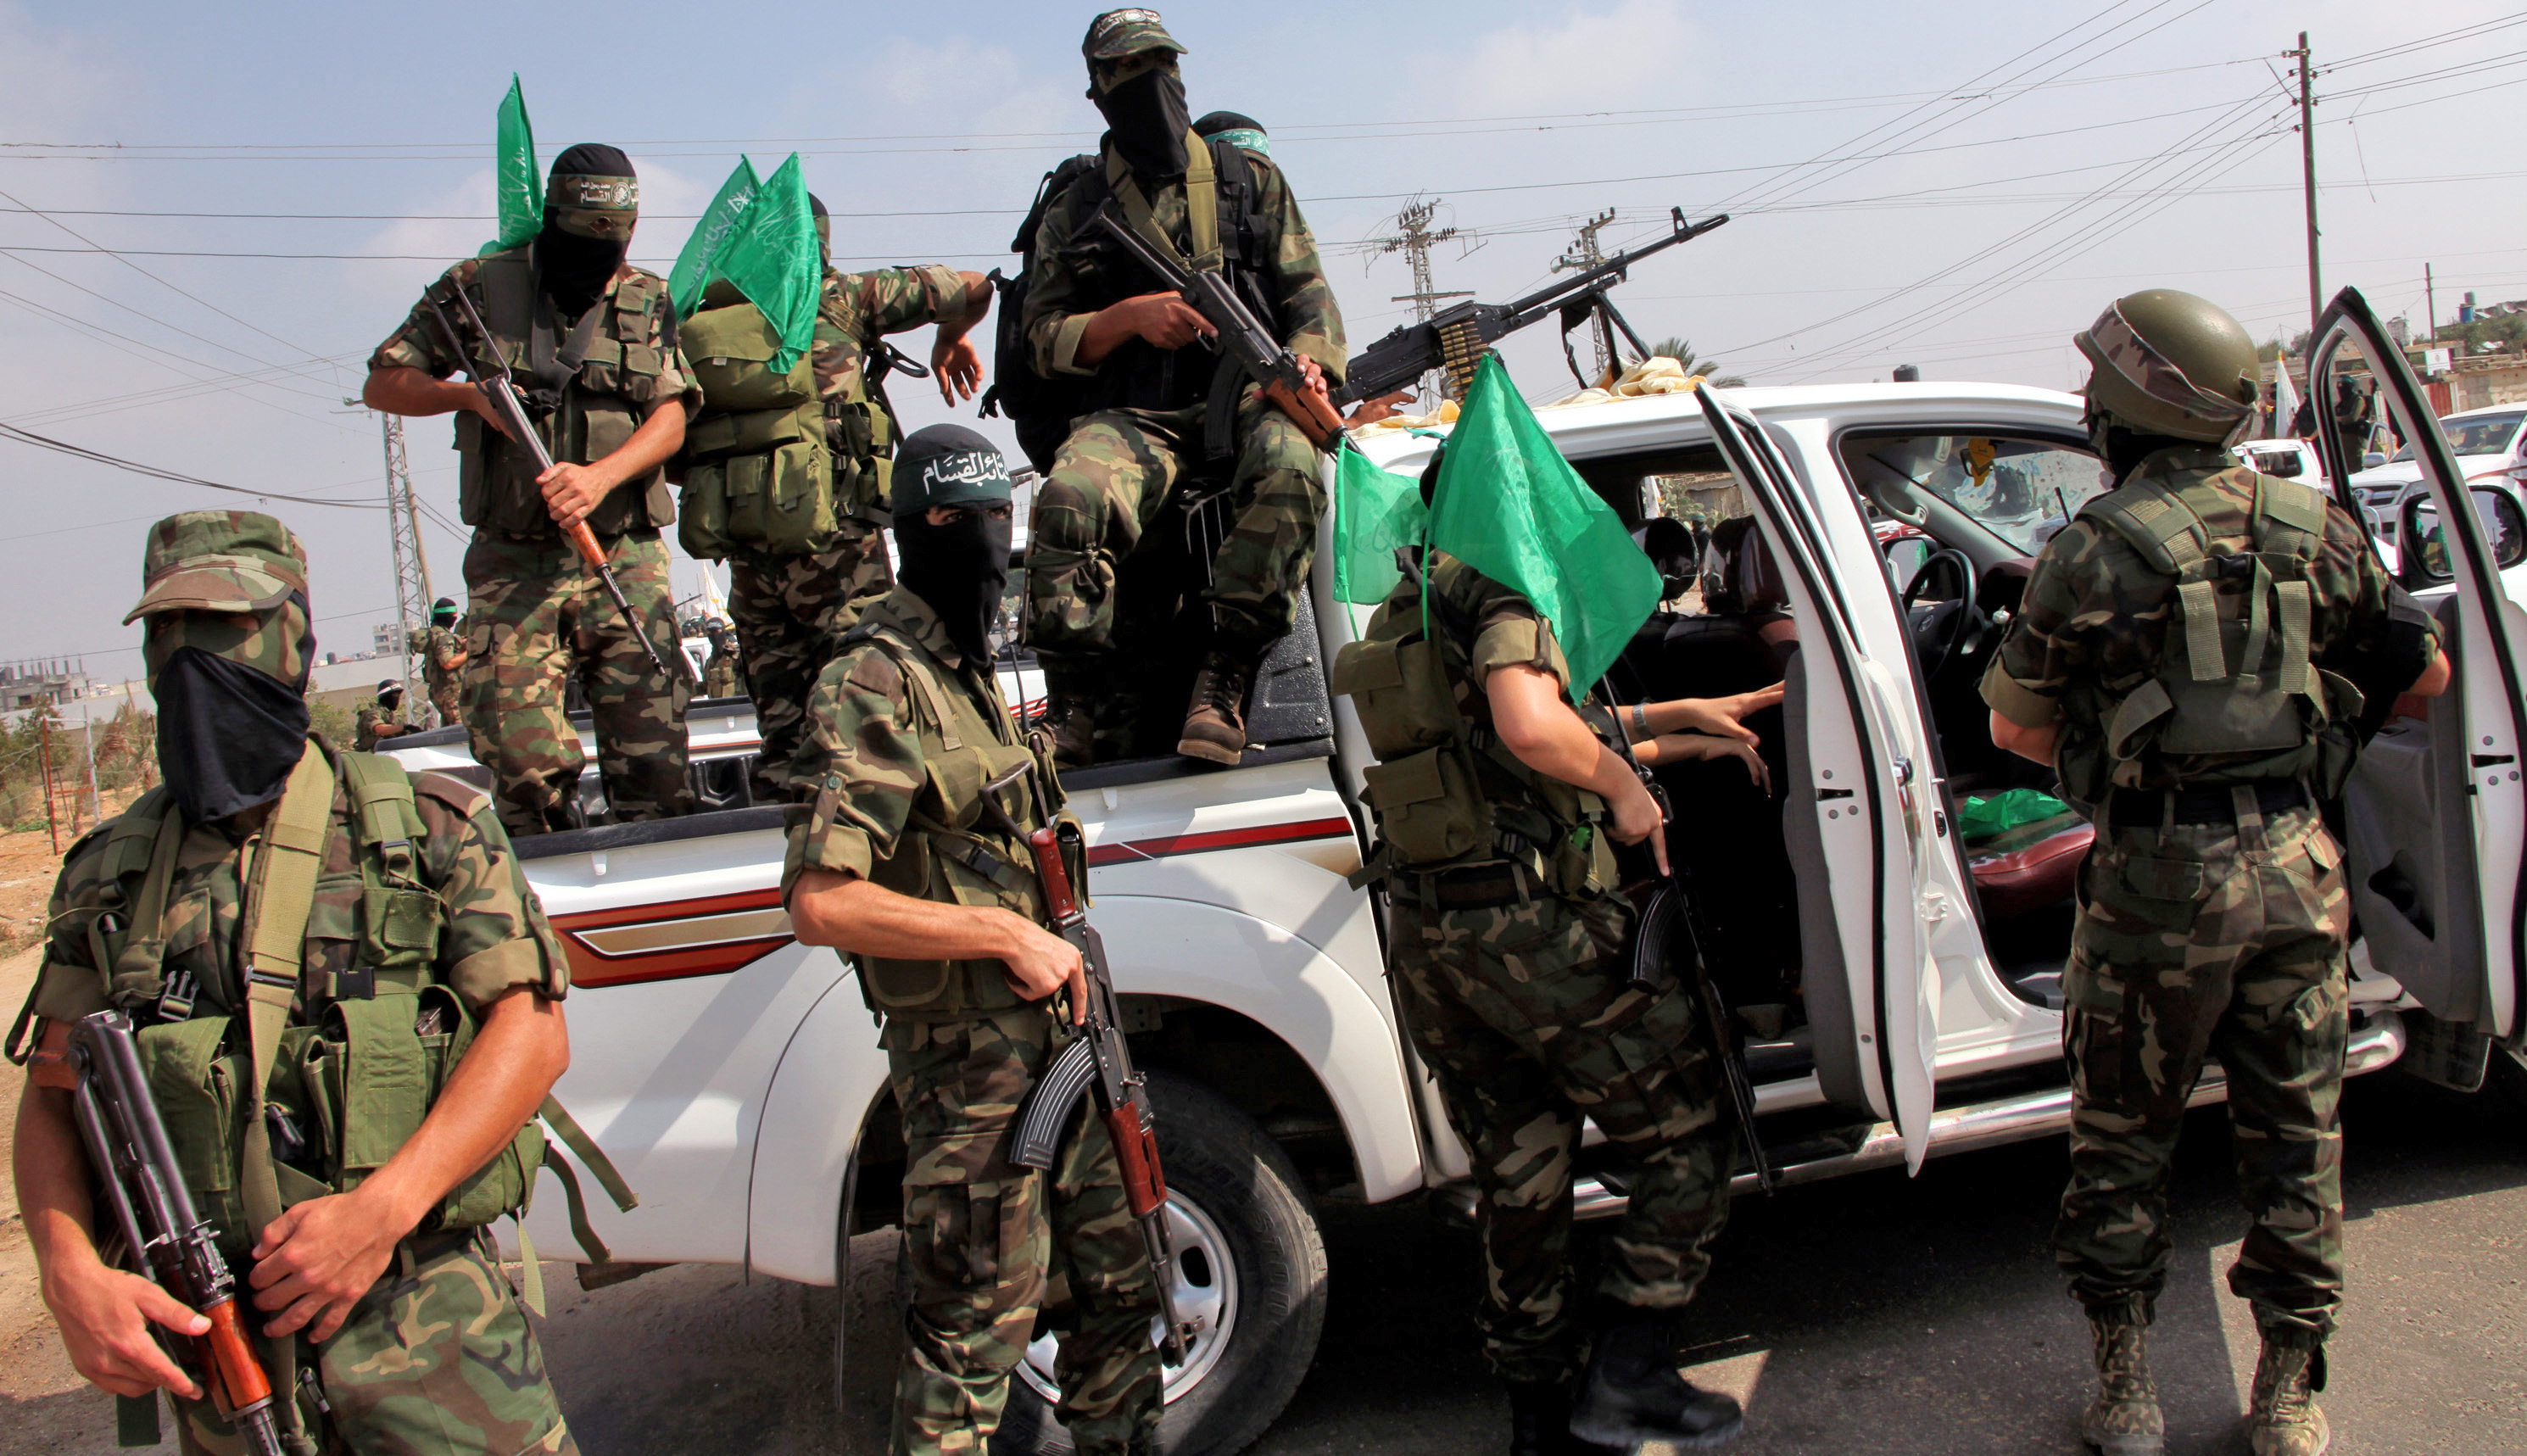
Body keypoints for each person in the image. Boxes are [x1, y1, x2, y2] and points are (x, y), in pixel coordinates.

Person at [1981, 289, 2452, 1456]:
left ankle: (2128, 1388)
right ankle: (2289, 1393)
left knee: (2123, 1136)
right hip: (2299, 866)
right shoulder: (2317, 527)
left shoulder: (2089, 547)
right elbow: (2428, 677)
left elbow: (2015, 734)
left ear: (2134, 403)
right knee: (2296, 1132)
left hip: (2154, 879)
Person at [8, 510, 582, 1455]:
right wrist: (68, 1269)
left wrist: (381, 1210)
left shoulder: (419, 825)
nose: (195, 662)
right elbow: (55, 1094)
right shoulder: (108, 872)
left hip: (432, 1338)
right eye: (169, 636)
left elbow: (530, 1033)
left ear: (295, 646)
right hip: (225, 1364)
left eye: (227, 633)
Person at [1338, 451, 1778, 1456]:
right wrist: (1629, 792)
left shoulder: (1406, 610)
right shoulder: (1501, 590)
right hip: (1541, 935)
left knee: (1522, 1173)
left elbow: (1495, 747)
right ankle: (1631, 1375)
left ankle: (1539, 1420)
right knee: (1686, 1133)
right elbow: (1532, 725)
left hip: (1435, 941)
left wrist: (1671, 725)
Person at [784, 426, 1161, 1456]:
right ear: (930, 528)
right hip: (971, 1077)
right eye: (978, 522)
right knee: (970, 1341)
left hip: (1064, 1044)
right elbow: (821, 901)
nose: (1002, 543)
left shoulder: (968, 668)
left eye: (1009, 517)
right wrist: (997, 932)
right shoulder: (877, 678)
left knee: (1122, 1289)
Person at [1021, 8, 1346, 767]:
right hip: (1136, 413)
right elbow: (1039, 340)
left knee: (1295, 471)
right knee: (1069, 495)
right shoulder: (1075, 208)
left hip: (1245, 395)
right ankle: (1072, 704)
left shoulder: (1248, 180)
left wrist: (1306, 362)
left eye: (1161, 67)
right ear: (1099, 88)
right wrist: (1126, 319)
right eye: (1131, 73)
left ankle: (1226, 675)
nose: (1152, 85)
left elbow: (1312, 300)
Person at [365, 142, 698, 835]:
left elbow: (672, 414)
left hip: (624, 555)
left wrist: (600, 477)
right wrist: (468, 400)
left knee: (656, 759)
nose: (598, 256)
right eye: (582, 239)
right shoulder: (479, 286)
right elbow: (383, 381)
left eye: (615, 239)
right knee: (516, 756)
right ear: (551, 219)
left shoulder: (645, 297)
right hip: (514, 559)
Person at [713, 192, 993, 801]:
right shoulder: (843, 297)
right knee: (863, 710)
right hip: (835, 547)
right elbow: (977, 287)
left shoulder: (711, 319)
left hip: (746, 555)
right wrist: (950, 338)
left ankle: (789, 847)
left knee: (783, 737)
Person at [410, 595, 468, 727]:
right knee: (460, 730)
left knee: (449, 729)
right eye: (454, 615)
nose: (455, 618)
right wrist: (469, 652)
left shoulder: (433, 634)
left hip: (439, 691)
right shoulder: (444, 636)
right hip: (450, 692)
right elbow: (448, 662)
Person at [354, 678, 411, 750]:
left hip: (389, 753)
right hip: (371, 755)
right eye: (394, 694)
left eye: (398, 695)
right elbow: (380, 729)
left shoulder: (394, 717)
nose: (397, 698)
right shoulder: (372, 712)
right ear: (385, 697)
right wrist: (404, 727)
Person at [700, 618, 745, 699]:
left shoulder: (736, 656)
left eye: (717, 632)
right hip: (717, 707)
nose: (714, 636)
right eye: (710, 633)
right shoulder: (710, 661)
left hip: (737, 707)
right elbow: (706, 686)